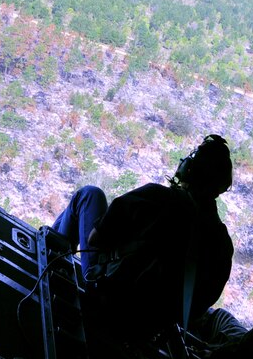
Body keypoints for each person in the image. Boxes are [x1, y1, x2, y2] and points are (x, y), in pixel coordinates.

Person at [49, 134, 235, 342]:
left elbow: (94, 239)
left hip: (106, 299)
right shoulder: (223, 245)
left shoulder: (155, 197)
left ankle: (50, 254)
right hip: (147, 330)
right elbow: (196, 308)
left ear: (188, 169)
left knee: (90, 195)